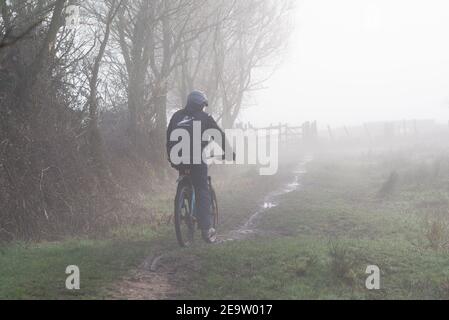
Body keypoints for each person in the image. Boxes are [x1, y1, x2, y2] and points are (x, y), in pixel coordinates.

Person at [166, 91, 235, 243]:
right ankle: (206, 229)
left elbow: (168, 136)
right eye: (203, 105)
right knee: (202, 189)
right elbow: (218, 136)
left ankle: (183, 197)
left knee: (185, 177)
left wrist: (171, 158)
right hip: (196, 159)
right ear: (200, 105)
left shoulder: (176, 116)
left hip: (178, 159)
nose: (204, 108)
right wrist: (229, 153)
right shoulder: (204, 117)